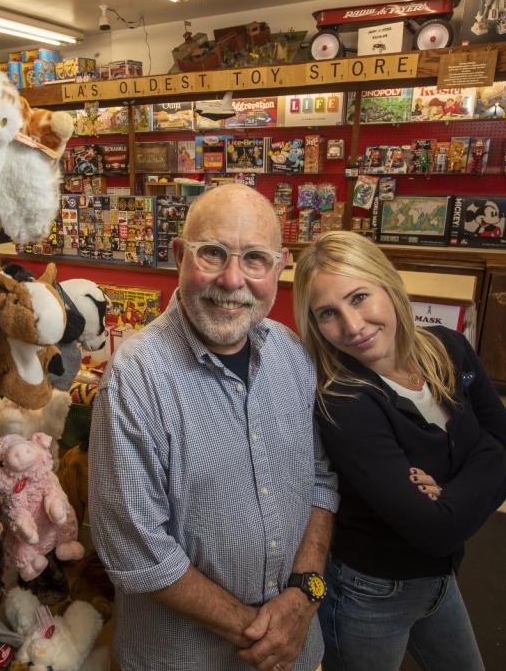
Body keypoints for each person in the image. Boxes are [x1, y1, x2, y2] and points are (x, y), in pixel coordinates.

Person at [89, 184, 340, 671]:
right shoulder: (135, 378)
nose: (231, 279)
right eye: (212, 254)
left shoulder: (292, 354)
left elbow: (322, 480)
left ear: (278, 266)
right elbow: (136, 550)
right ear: (180, 255)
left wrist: (305, 594)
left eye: (254, 259)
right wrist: (265, 634)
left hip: (298, 648)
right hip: (186, 659)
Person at [291, 231, 506, 671]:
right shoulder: (345, 401)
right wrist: (479, 459)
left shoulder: (448, 348)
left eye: (359, 297)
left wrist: (451, 497)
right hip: (372, 592)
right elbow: (434, 529)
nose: (352, 326)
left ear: (389, 284)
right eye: (328, 313)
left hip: (440, 580)